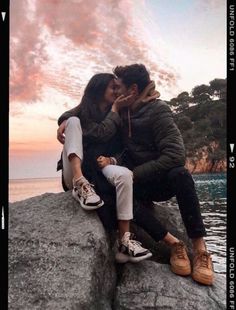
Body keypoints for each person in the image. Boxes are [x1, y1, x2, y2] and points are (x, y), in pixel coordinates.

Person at [57, 73, 152, 263]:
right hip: (76, 172)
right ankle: (79, 183)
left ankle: (124, 241)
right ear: (99, 89)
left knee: (125, 175)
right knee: (74, 121)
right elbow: (97, 132)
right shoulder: (83, 112)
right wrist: (63, 121)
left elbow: (120, 145)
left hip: (99, 169)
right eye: (113, 87)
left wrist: (112, 160)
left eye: (118, 87)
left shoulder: (116, 112)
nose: (117, 91)